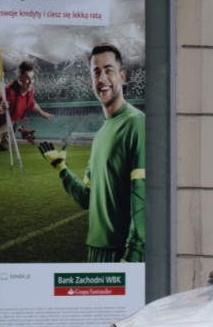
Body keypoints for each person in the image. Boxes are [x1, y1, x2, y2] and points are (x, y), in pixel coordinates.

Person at [38, 43, 146, 263]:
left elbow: (142, 194)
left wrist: (132, 256)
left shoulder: (136, 123)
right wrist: (61, 169)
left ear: (122, 76)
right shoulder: (99, 136)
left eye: (109, 70)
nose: (102, 78)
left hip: (120, 252)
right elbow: (87, 198)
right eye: (96, 72)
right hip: (96, 249)